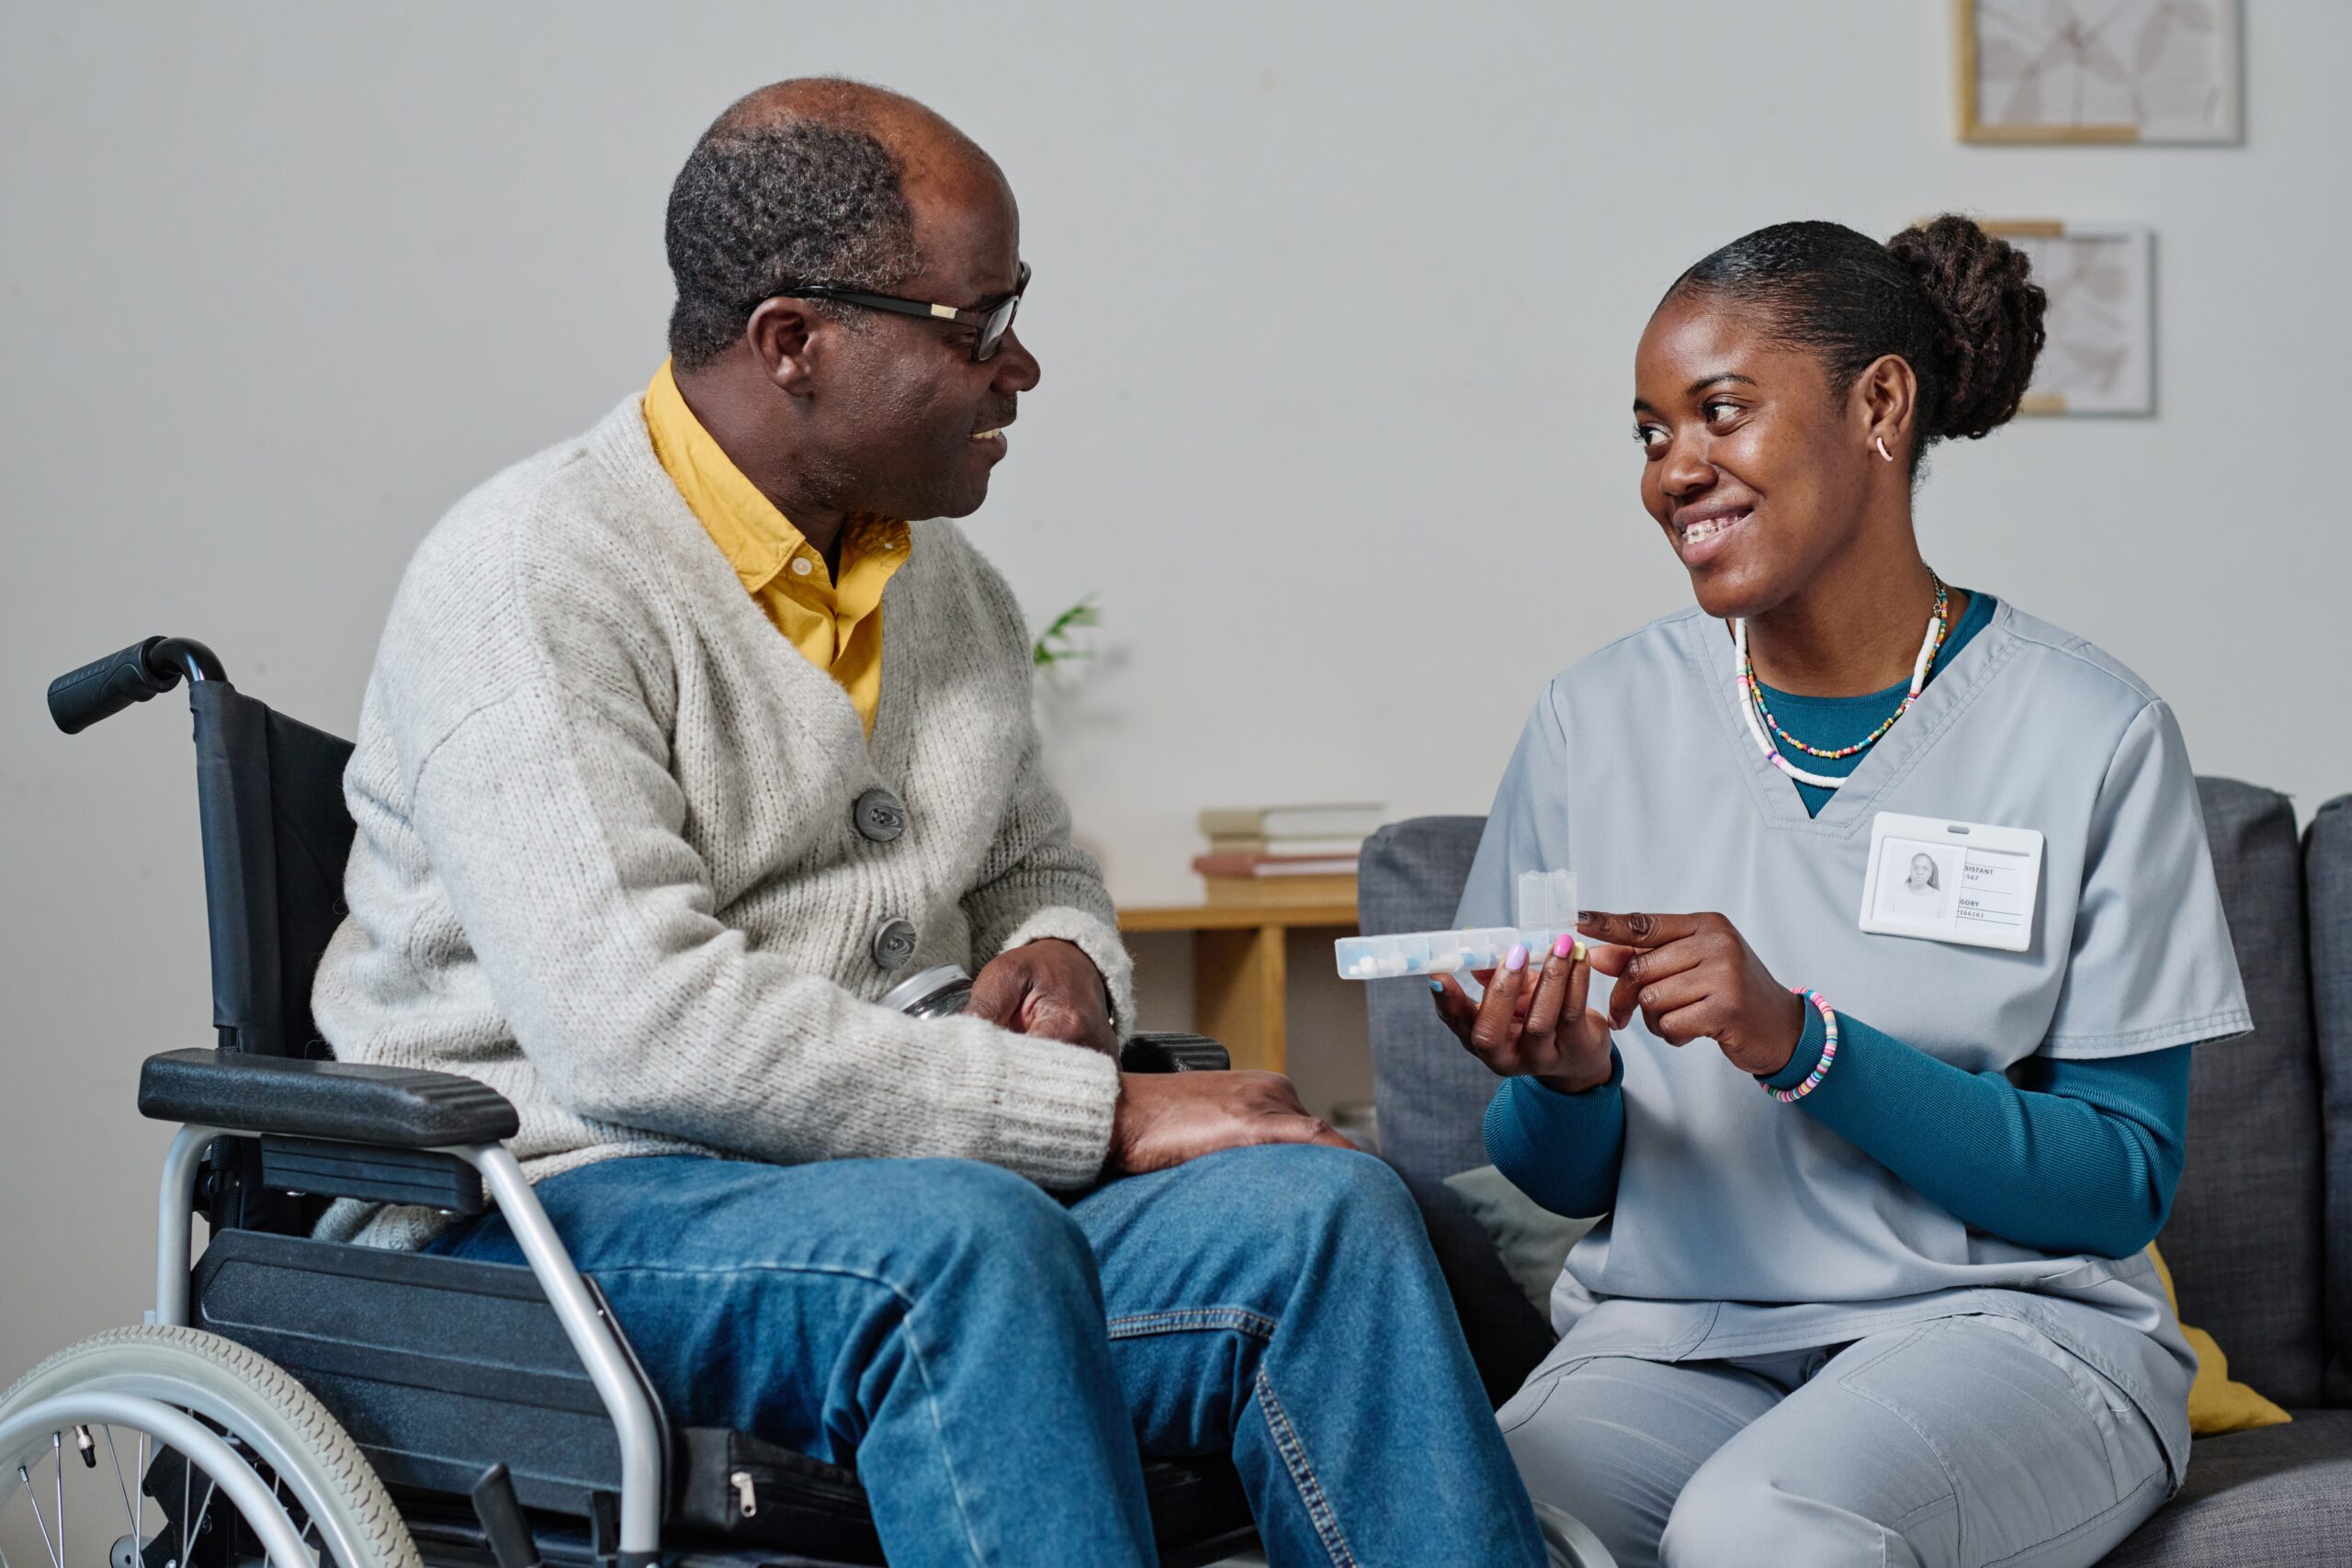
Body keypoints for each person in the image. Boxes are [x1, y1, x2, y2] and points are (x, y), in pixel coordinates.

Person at [311, 78, 1546, 1568]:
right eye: (977, 325)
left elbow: (1037, 866)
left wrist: (1062, 952)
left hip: (879, 1204)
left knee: (1324, 1211)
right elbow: (636, 1032)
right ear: (795, 344)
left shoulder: (947, 593)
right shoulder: (533, 579)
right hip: (544, 1215)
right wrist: (1104, 1110)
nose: (1020, 363)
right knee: (963, 1244)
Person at [1431, 217, 2247, 1567]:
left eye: (1722, 413)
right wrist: (1565, 1083)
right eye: (1649, 433)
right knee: (1457, 1518)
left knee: (1764, 1529)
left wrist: (1803, 1045)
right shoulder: (1595, 720)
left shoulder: (2088, 732)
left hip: (2008, 1339)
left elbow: (2119, 1183)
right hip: (1676, 1339)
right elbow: (1551, 1173)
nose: (1674, 471)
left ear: (1879, 404)